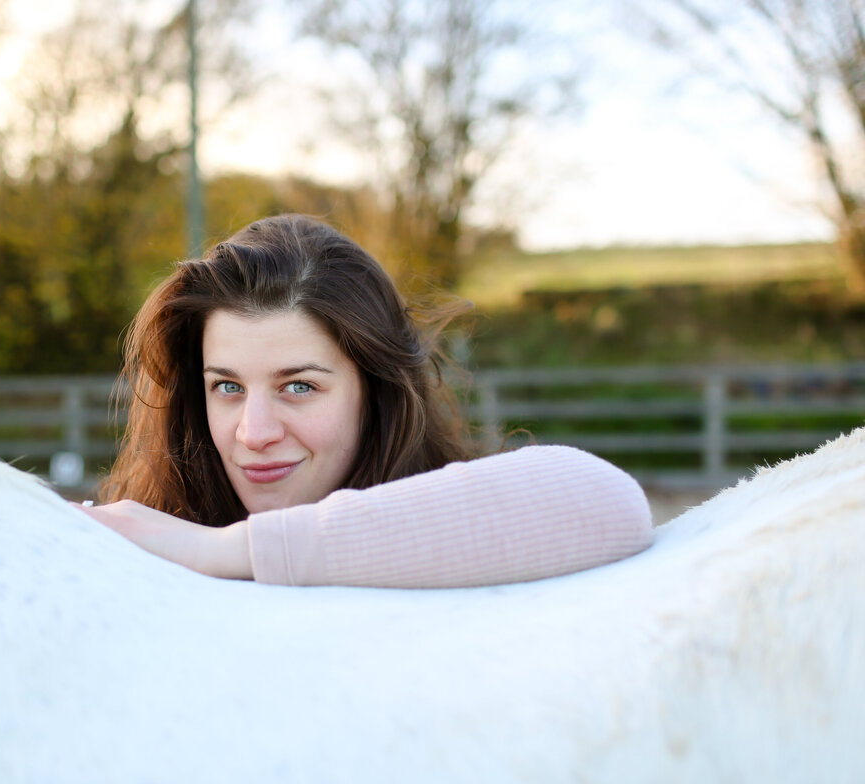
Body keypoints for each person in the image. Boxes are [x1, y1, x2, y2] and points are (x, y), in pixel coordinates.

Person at [77, 215, 653, 588]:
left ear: (373, 391)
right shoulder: (144, 540)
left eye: (298, 386)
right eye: (227, 387)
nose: (253, 433)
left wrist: (222, 551)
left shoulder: (462, 526)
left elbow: (612, 502)